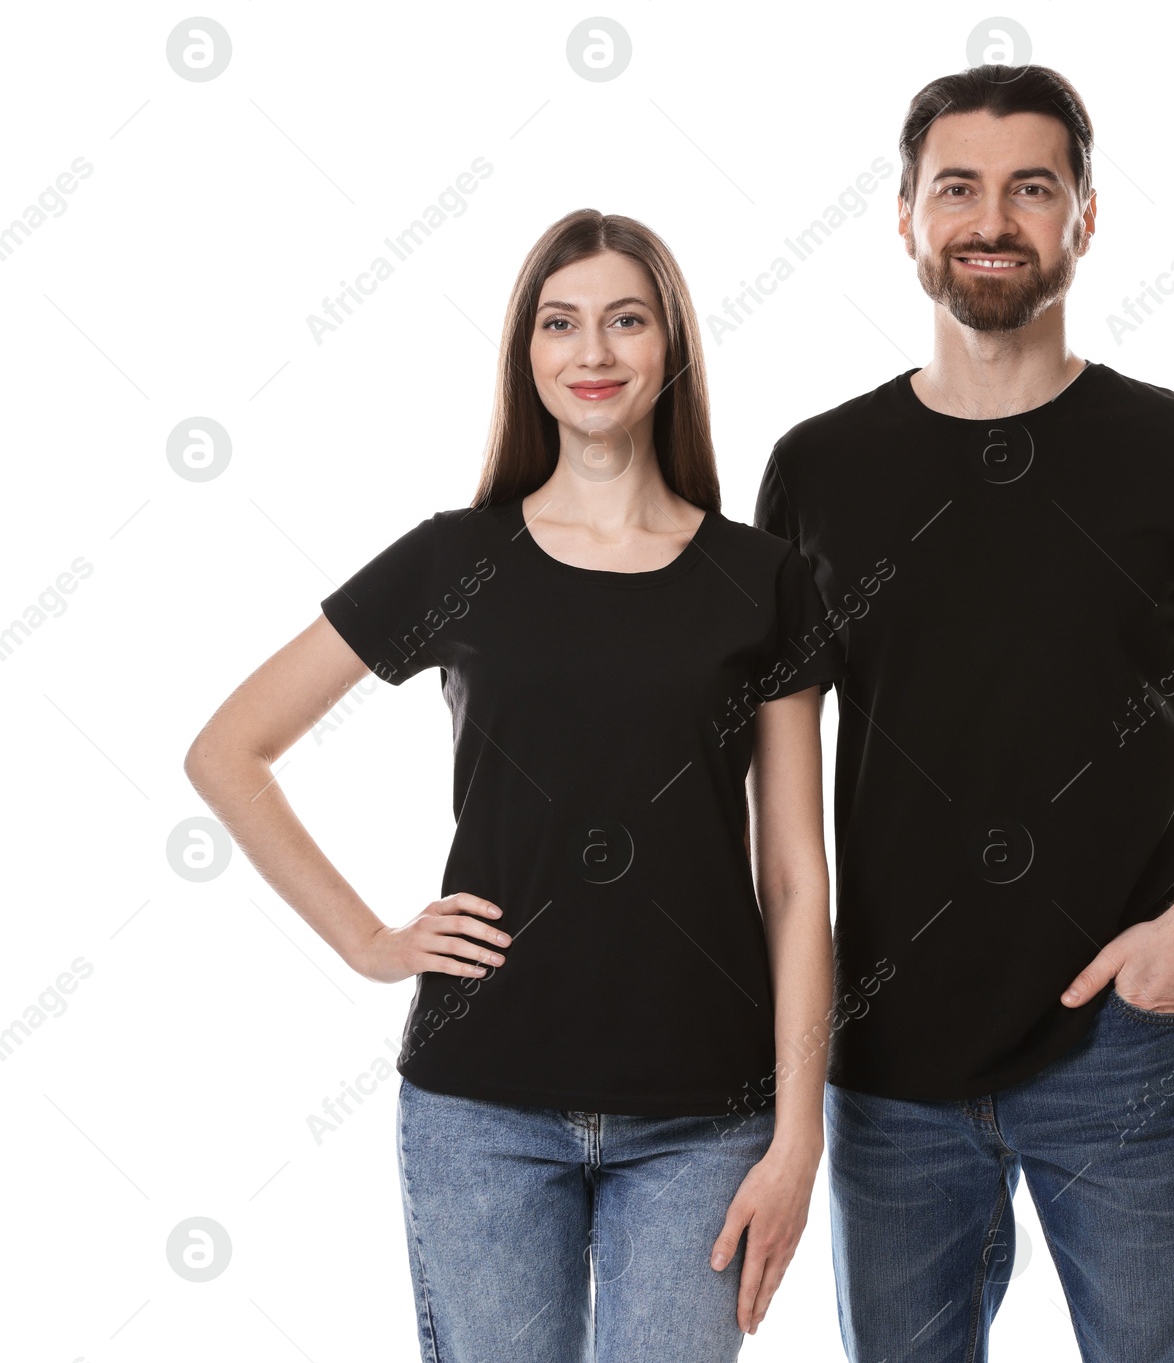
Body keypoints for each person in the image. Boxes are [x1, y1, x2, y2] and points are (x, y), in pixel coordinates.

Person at [754, 64, 1174, 1363]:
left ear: (1085, 217)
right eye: (958, 188)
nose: (993, 218)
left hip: (1116, 1054)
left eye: (1032, 188)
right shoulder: (820, 469)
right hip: (888, 1063)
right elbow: (780, 807)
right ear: (906, 218)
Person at [184, 209, 844, 1362]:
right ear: (526, 355)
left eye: (625, 320)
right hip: (481, 1109)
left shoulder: (763, 578)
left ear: (671, 346)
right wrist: (368, 939)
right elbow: (229, 750)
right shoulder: (457, 559)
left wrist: (798, 1135)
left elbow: (794, 878)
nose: (592, 352)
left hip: (703, 1116)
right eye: (560, 322)